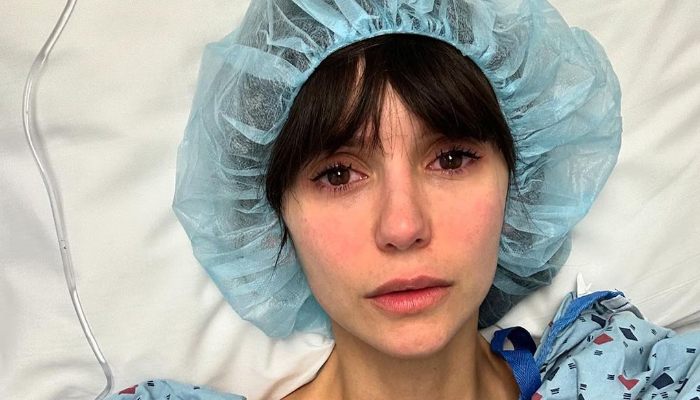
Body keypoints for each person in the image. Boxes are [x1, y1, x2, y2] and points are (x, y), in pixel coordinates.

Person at [108, 0, 700, 399]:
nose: (402, 225)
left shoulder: (635, 378)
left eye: (452, 159)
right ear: (273, 219)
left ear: (519, 184)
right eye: (338, 174)